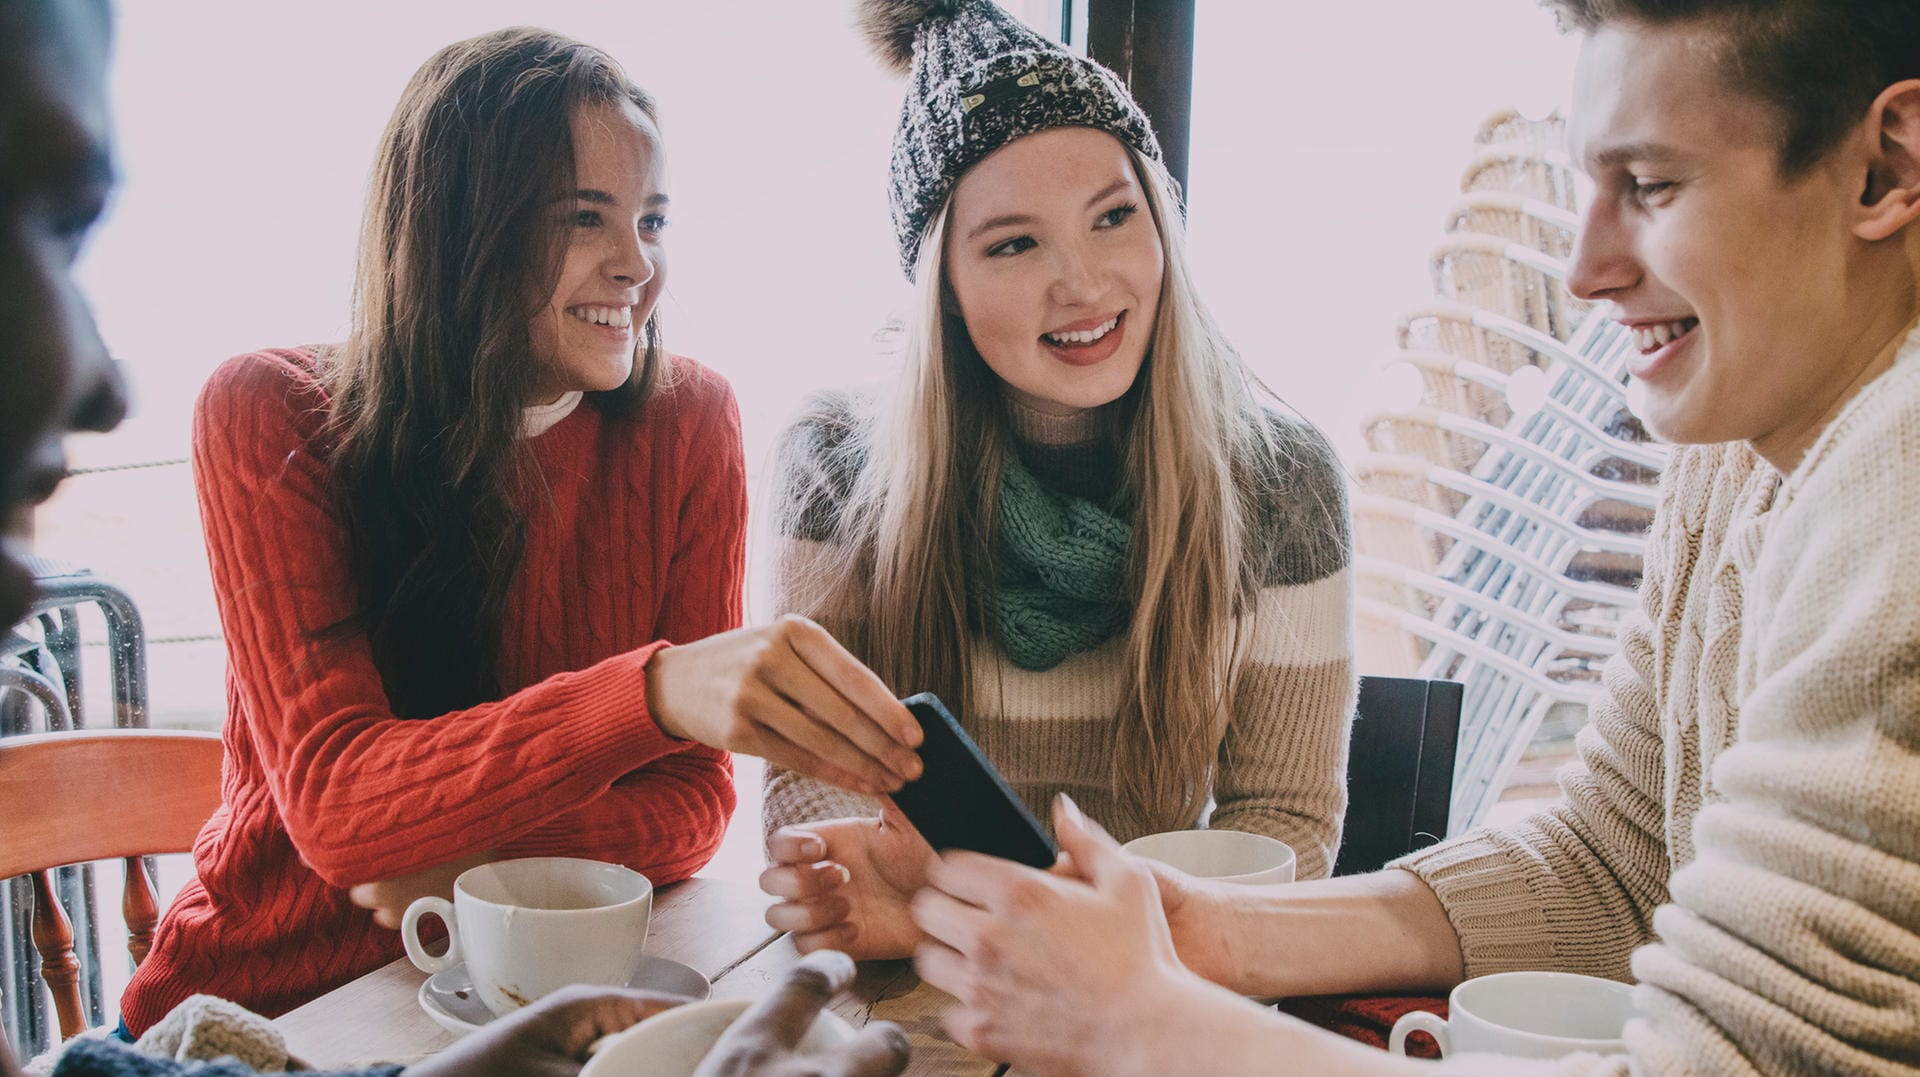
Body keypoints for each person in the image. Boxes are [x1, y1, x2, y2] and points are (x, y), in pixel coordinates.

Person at [903, 0, 1920, 1073]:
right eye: (1589, 187)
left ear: (1886, 169)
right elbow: (1619, 860)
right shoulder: (1738, 442)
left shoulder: (1894, 483)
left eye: (1653, 188)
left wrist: (1151, 1024)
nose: (1585, 268)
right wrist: (1198, 929)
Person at [0, 4, 907, 1076]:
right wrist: (652, 693)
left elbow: (693, 803)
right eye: (583, 217)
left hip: (515, 1011)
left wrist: (465, 858)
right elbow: (340, 813)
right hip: (254, 1024)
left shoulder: (688, 418)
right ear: (458, 224)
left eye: (652, 221)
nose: (636, 266)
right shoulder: (271, 412)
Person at [758, 0, 1357, 963]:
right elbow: (818, 796)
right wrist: (888, 901)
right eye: (1013, 243)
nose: (1083, 283)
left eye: (1114, 217)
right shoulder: (835, 464)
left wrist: (1043, 937)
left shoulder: (1282, 482)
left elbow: (1283, 827)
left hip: (1156, 985)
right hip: (925, 984)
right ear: (939, 284)